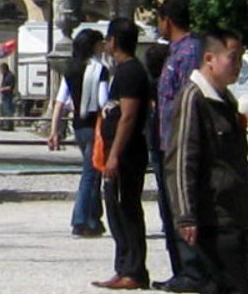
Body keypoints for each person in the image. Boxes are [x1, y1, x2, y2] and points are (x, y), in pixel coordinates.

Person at [166, 29, 248, 294]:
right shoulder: (195, 98)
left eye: (240, 58)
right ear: (210, 58)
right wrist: (186, 215)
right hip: (213, 215)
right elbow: (180, 161)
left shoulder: (225, 99)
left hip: (233, 215)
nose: (237, 66)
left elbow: (237, 162)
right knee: (238, 287)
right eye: (232, 58)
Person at [152, 0, 209, 292]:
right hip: (168, 142)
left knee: (180, 206)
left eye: (159, 20)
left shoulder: (187, 53)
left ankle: (192, 270)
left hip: (179, 143)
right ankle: (182, 270)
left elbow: (187, 99)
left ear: (167, 21)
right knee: (170, 208)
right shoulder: (178, 51)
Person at [92, 18, 152, 291]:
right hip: (119, 151)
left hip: (126, 154)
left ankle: (134, 270)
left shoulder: (130, 73)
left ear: (113, 41)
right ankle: (124, 266)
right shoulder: (124, 71)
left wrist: (114, 155)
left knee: (126, 210)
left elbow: (128, 117)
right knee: (116, 211)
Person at [48, 28, 109, 238]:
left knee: (93, 172)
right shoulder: (99, 69)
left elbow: (59, 102)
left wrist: (54, 130)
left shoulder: (71, 69)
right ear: (94, 46)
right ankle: (81, 219)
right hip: (94, 125)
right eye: (101, 43)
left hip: (79, 126)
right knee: (91, 174)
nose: (104, 46)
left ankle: (94, 219)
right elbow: (102, 101)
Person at [0, 62, 17, 131]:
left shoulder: (10, 76)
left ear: (4, 69)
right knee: (4, 112)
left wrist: (2, 89)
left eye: (1, 70)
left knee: (8, 111)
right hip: (4, 96)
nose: (0, 71)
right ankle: (4, 125)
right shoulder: (4, 76)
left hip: (9, 96)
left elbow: (10, 87)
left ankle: (9, 126)